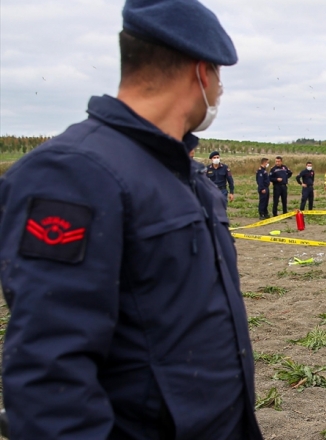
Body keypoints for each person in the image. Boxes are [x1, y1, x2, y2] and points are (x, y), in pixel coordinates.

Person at [0, 1, 263, 438]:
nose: (218, 93)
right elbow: (50, 374)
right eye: (219, 77)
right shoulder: (73, 174)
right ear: (201, 73)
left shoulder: (186, 176)